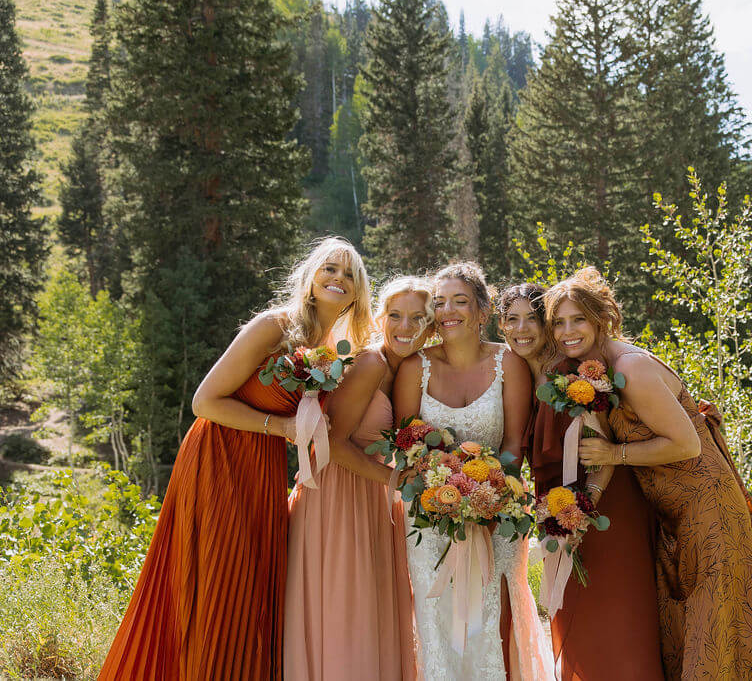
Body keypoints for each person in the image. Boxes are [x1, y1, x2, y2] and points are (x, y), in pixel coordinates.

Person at [99, 237, 372, 681]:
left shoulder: (333, 348)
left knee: (252, 581)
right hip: (218, 456)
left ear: (359, 290)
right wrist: (281, 428)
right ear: (309, 277)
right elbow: (204, 401)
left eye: (348, 274)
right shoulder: (273, 327)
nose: (337, 279)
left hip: (263, 468)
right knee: (218, 575)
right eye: (329, 269)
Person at [548, 267, 752, 680]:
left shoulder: (631, 368)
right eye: (558, 323)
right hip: (671, 513)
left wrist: (616, 452)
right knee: (685, 632)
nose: (566, 332)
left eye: (577, 319)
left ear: (601, 318)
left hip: (708, 509)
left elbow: (687, 444)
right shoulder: (596, 370)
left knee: (714, 631)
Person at [392, 263, 554, 681]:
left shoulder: (508, 364)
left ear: (483, 311)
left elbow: (514, 445)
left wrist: (485, 497)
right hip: (428, 519)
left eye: (460, 301)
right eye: (440, 302)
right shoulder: (415, 368)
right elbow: (407, 445)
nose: (448, 311)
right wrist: (445, 495)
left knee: (495, 619)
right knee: (436, 620)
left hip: (497, 514)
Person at [499, 282, 663, 681]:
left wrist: (584, 508)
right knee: (573, 619)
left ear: (548, 325)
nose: (522, 329)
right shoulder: (517, 372)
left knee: (614, 622)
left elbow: (603, 447)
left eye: (533, 319)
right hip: (559, 513)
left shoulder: (572, 373)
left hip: (604, 507)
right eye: (511, 319)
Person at [284, 276, 434, 680]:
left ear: (432, 324)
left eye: (418, 318)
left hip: (372, 498)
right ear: (381, 318)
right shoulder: (371, 363)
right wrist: (397, 481)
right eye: (396, 316)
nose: (406, 327)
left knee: (373, 609)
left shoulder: (415, 370)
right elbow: (332, 441)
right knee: (346, 609)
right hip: (336, 496)